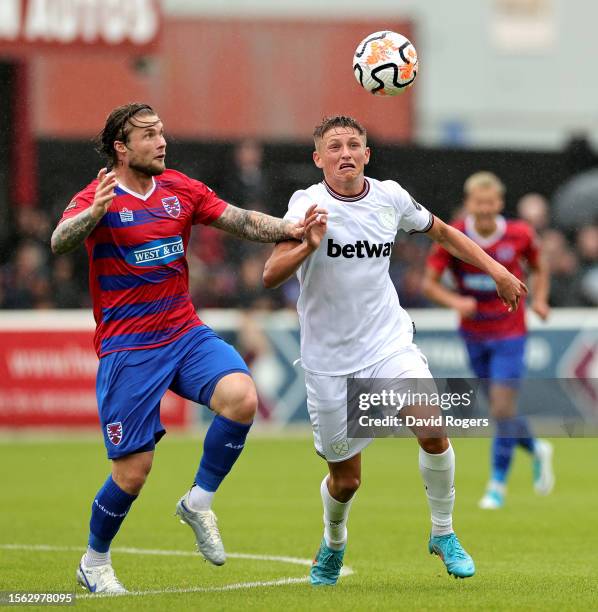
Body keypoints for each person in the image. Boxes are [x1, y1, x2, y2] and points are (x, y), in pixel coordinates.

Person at [50, 103, 313, 594]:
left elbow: (239, 220)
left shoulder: (179, 188)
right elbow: (59, 241)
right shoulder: (96, 196)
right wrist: (92, 215)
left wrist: (291, 229)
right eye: (149, 135)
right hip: (129, 348)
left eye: (162, 133)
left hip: (183, 331)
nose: (161, 141)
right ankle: (94, 561)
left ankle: (198, 501)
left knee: (242, 396)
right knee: (133, 472)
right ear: (121, 148)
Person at [263, 116, 526, 585]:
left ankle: (443, 533)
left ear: (367, 154)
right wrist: (308, 245)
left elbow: (445, 233)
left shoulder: (390, 197)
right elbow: (270, 274)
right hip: (329, 362)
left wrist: (498, 271)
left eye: (354, 145)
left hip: (388, 343)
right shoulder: (307, 205)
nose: (345, 153)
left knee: (432, 426)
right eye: (335, 146)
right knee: (346, 481)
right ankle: (333, 543)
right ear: (318, 158)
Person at [424, 171, 554, 510]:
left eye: (490, 203)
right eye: (477, 203)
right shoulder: (454, 235)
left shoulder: (520, 234)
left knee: (500, 408)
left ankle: (497, 484)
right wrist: (456, 302)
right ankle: (536, 446)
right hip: (473, 333)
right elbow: (429, 284)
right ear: (469, 204)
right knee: (501, 411)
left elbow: (540, 268)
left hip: (511, 332)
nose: (483, 209)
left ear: (499, 203)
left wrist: (539, 299)